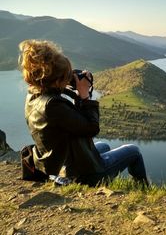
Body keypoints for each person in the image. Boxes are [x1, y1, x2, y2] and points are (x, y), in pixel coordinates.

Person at [19, 39, 148, 186]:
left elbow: (73, 123)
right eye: (66, 75)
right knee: (133, 151)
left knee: (104, 145)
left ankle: (69, 177)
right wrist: (85, 95)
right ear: (57, 79)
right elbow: (92, 128)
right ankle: (143, 190)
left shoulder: (34, 97)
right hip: (80, 175)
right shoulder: (53, 104)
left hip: (58, 163)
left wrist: (73, 91)